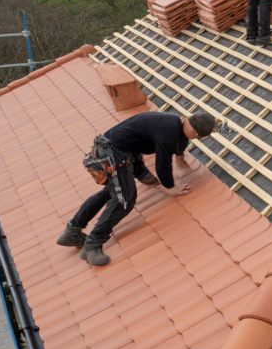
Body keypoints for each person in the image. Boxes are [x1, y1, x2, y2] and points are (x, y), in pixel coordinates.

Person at [56, 112, 218, 266]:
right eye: (197, 135)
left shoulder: (175, 122)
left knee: (114, 192)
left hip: (117, 150)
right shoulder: (170, 132)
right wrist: (169, 187)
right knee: (124, 199)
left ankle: (73, 230)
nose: (196, 137)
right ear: (195, 131)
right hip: (114, 153)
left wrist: (172, 165)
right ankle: (93, 244)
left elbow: (177, 146)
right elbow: (162, 163)